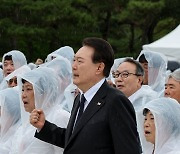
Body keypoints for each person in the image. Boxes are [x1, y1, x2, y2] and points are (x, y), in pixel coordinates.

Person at [30, 37, 141, 154]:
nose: (73, 66)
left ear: (99, 67)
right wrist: (44, 127)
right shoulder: (80, 98)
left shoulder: (115, 101)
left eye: (80, 61)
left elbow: (128, 149)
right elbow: (75, 141)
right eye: (74, 60)